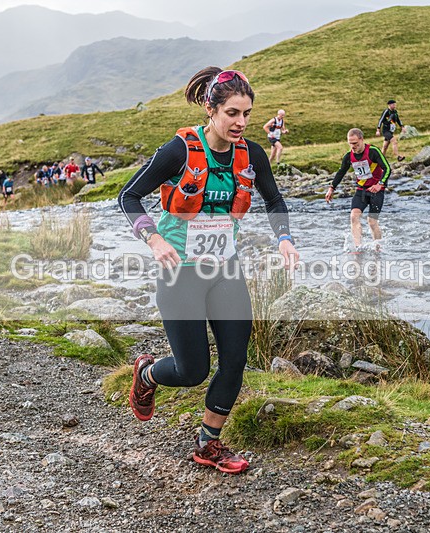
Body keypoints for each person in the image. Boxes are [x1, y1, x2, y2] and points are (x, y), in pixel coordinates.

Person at [118, 67, 299, 475]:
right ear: (211, 108)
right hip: (179, 271)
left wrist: (284, 238)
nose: (241, 122)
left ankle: (208, 444)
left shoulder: (250, 154)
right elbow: (128, 195)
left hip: (226, 271)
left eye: (247, 114)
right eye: (233, 113)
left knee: (235, 359)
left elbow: (274, 200)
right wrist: (152, 238)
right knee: (192, 370)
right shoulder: (180, 150)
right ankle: (147, 373)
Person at [324, 128, 391, 253]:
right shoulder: (348, 156)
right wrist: (331, 188)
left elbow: (387, 168)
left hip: (376, 190)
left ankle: (378, 248)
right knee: (354, 216)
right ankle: (358, 248)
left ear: (361, 139)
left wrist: (380, 184)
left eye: (355, 143)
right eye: (350, 143)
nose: (353, 146)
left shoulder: (373, 151)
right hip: (361, 190)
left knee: (372, 222)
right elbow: (341, 172)